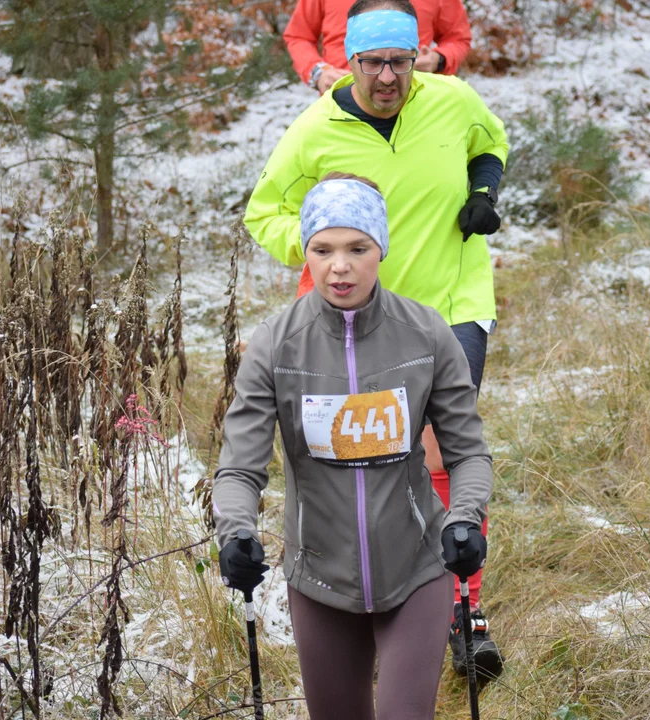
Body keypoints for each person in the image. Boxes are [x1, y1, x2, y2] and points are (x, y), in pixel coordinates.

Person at [243, 0, 507, 679]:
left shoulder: (452, 100)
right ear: (349, 61)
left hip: (450, 303)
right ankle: (372, 589)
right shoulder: (317, 125)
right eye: (372, 63)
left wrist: (484, 191)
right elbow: (262, 208)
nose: (388, 77)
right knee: (374, 448)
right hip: (362, 318)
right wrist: (316, 251)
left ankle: (462, 604)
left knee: (439, 444)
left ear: (418, 54)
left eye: (400, 61)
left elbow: (491, 143)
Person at [215, 175, 493, 719]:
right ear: (308, 253)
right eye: (323, 249)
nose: (339, 266)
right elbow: (239, 469)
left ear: (380, 249)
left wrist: (464, 518)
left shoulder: (426, 334)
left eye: (356, 249)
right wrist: (237, 532)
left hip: (418, 568)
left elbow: (467, 454)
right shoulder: (276, 343)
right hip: (319, 580)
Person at [284, 0, 473, 93]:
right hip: (341, 104)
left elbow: (457, 38)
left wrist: (438, 59)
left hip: (413, 106)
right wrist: (317, 72)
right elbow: (299, 36)